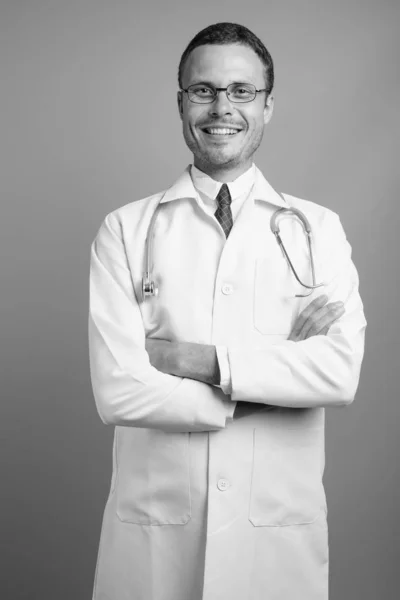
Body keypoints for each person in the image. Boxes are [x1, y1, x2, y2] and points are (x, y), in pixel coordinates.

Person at [88, 22, 366, 600]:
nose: (223, 107)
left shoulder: (318, 229)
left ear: (268, 105)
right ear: (181, 102)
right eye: (204, 90)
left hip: (274, 544)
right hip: (155, 542)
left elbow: (338, 374)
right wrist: (278, 377)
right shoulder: (125, 230)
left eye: (242, 91)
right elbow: (118, 391)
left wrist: (195, 360)